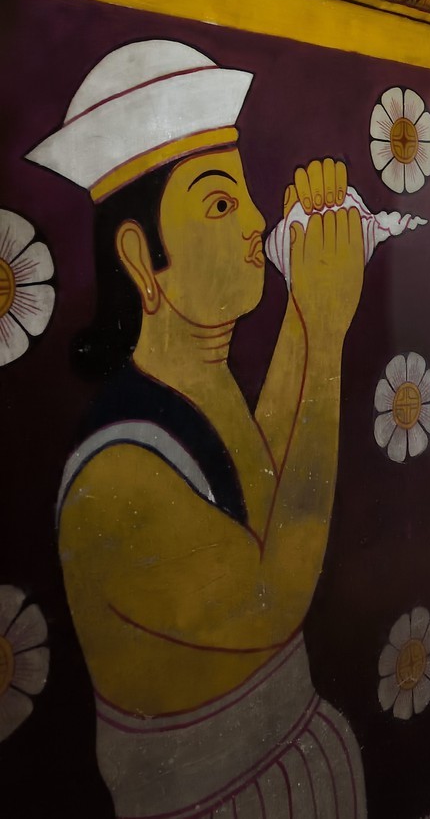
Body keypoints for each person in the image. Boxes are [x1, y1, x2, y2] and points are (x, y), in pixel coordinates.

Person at [35, 41, 368, 816]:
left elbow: (273, 490)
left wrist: (311, 311)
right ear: (141, 259)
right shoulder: (117, 472)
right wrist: (324, 329)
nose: (256, 222)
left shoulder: (202, 383)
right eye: (221, 204)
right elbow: (273, 599)